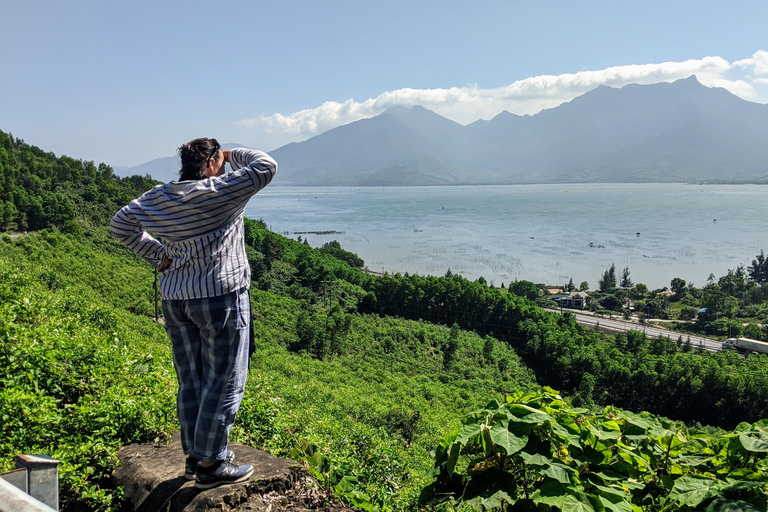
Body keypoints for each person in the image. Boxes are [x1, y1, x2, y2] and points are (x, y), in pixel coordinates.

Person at [110, 138, 277, 489]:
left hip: (175, 299)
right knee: (224, 379)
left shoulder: (159, 196)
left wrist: (158, 255)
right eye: (221, 159)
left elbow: (120, 225)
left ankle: (193, 458)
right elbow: (265, 165)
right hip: (220, 297)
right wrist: (233, 154)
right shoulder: (221, 191)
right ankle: (212, 463)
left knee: (191, 379)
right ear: (214, 162)